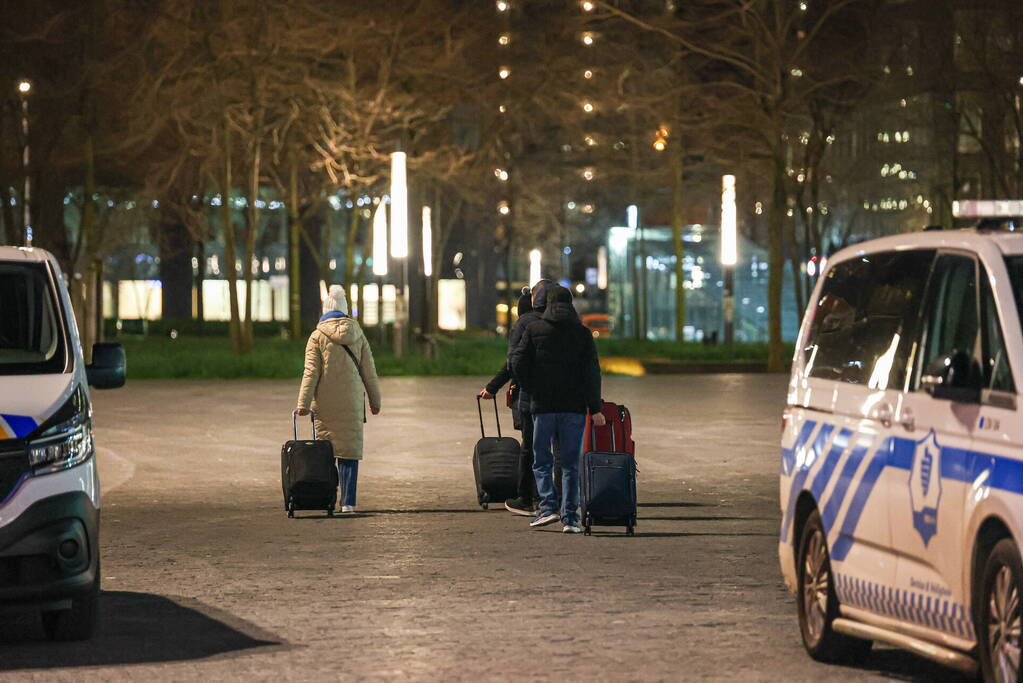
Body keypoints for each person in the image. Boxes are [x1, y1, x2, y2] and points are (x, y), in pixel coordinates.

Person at [510, 284, 604, 534]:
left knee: (542, 460)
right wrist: (595, 407)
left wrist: (531, 386)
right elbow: (592, 373)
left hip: (543, 407)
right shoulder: (582, 334)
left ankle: (547, 507)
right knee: (571, 464)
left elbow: (516, 361)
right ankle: (570, 518)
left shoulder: (534, 329)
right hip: (573, 408)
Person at [296, 285, 381, 513]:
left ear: (325, 310)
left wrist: (303, 404)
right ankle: (348, 503)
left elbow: (310, 372)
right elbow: (369, 371)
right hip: (352, 403)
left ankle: (326, 499)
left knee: (325, 452)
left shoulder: (317, 336)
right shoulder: (358, 334)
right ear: (344, 310)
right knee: (349, 452)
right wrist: (375, 401)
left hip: (324, 403)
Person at [478, 279, 551, 516]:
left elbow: (514, 362)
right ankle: (554, 497)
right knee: (554, 448)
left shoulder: (525, 324)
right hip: (560, 397)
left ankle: (528, 497)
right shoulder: (565, 323)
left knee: (529, 444)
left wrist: (494, 386)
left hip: (528, 395)